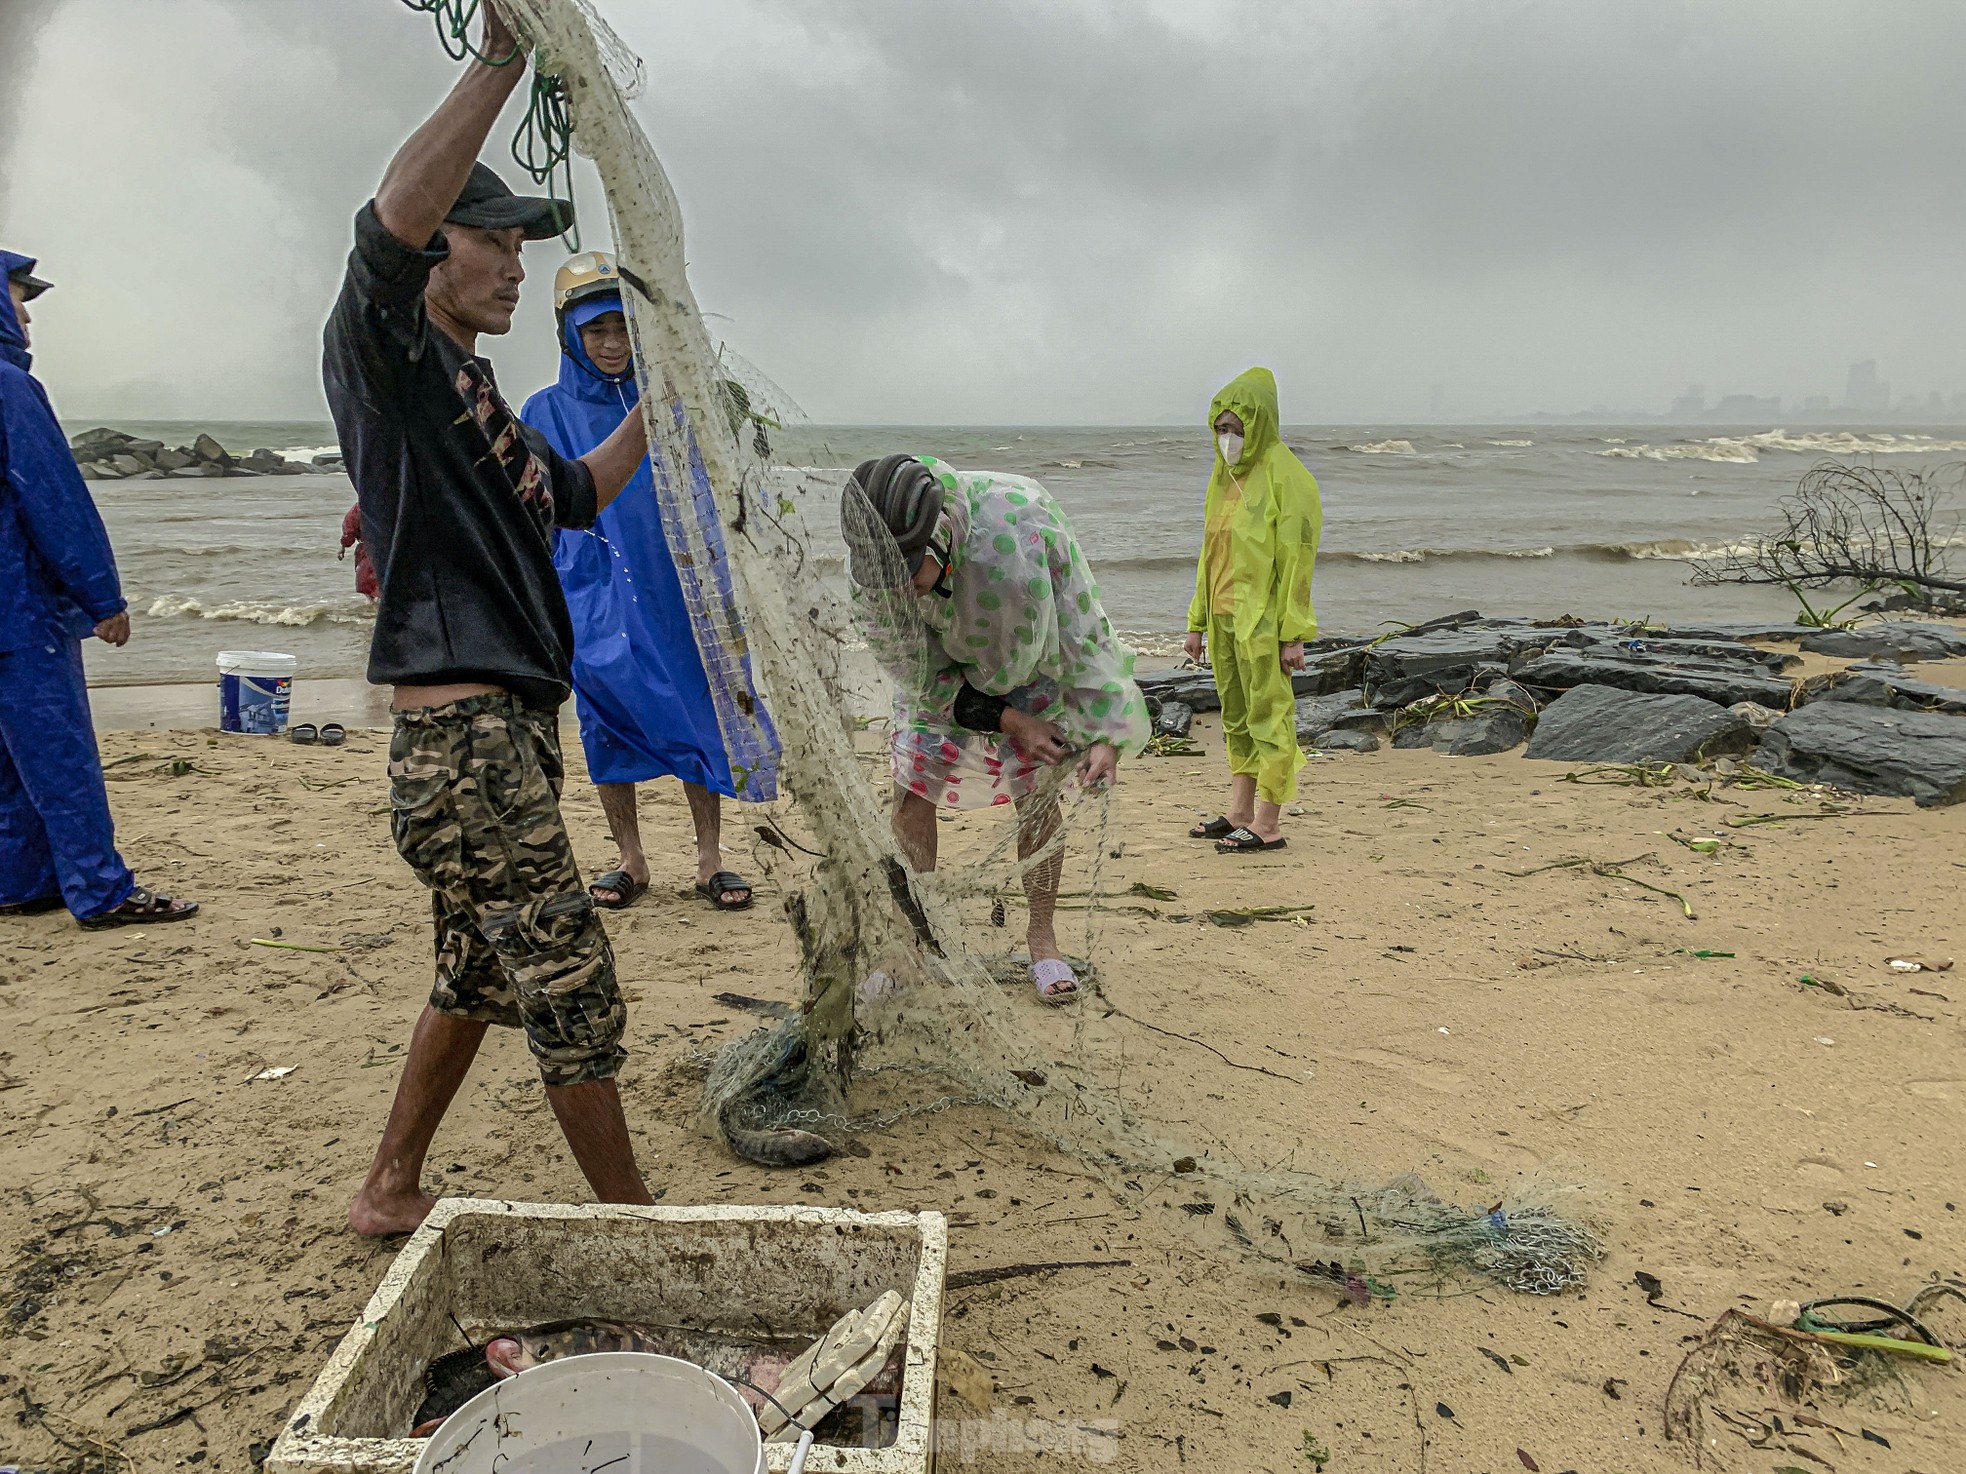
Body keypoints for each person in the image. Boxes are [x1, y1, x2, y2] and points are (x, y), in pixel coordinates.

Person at [322, 5, 658, 1237]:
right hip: (457, 739)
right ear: (435, 251)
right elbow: (379, 230)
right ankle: (642, 1236)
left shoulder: (475, 392)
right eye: (493, 239)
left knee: (475, 967)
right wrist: (503, 63)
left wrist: (659, 409)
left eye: (523, 244)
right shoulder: (388, 347)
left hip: (505, 737)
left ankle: (389, 1185)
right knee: (572, 984)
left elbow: (570, 496)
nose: (516, 264)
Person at [520, 252, 777, 914]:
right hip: (591, 590)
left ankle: (710, 857)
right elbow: (531, 510)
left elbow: (712, 492)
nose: (611, 345)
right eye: (596, 330)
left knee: (699, 707)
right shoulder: (542, 411)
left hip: (676, 584)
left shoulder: (671, 405)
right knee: (605, 718)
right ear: (568, 333)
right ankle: (630, 857)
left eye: (623, 330)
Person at [842, 454, 1148, 1004]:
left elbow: (1084, 625)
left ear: (939, 538)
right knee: (912, 793)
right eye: (883, 578)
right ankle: (908, 947)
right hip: (936, 679)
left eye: (908, 573)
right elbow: (921, 675)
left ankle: (1043, 939)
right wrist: (1008, 722)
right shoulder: (876, 573)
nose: (898, 590)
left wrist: (1105, 730)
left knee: (1035, 799)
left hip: (1032, 667)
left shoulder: (1026, 519)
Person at [0, 251, 198, 929]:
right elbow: (53, 502)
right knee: (59, 755)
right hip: (18, 611)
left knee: (8, 760)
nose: (26, 315)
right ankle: (102, 890)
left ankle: (22, 882)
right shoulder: (11, 389)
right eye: (17, 297)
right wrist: (102, 597)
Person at [1182, 367, 1322, 854]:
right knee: (1236, 716)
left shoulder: (1289, 478)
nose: (1228, 439)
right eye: (1220, 429)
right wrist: (1196, 622)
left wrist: (1293, 632)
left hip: (1262, 621)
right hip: (1223, 619)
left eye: (1236, 429)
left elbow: (1297, 559)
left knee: (1270, 715)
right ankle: (1239, 812)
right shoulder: (1222, 478)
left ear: (1258, 424)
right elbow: (1209, 553)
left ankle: (1268, 824)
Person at [338, 502, 378, 601]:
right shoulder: (397, 502)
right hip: (393, 548)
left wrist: (343, 546)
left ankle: (374, 607)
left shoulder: (360, 506)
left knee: (368, 582)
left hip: (369, 550)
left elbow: (350, 528)